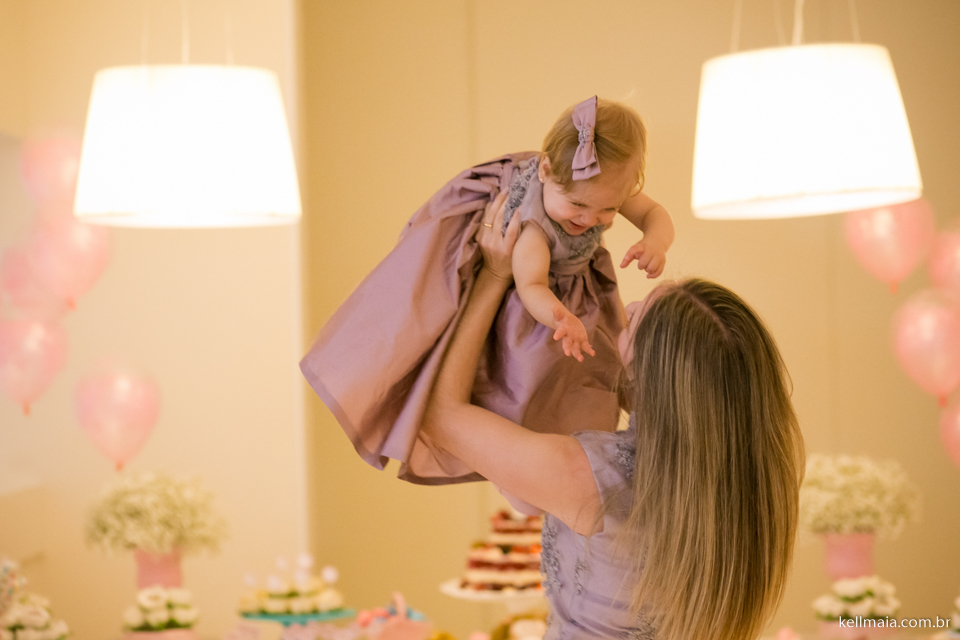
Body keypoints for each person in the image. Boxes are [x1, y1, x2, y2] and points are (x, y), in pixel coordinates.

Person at [420, 197, 805, 640]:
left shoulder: (590, 475)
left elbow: (439, 415)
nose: (618, 313)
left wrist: (494, 275)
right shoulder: (761, 479)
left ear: (646, 373)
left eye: (632, 321)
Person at [300, 96, 674, 484]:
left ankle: (570, 463)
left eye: (607, 211)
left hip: (577, 284)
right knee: (530, 384)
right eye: (578, 204)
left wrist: (655, 241)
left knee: (592, 385)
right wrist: (560, 316)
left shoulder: (601, 187)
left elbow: (655, 214)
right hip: (536, 301)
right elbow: (531, 285)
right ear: (546, 170)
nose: (589, 219)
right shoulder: (533, 229)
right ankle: (528, 456)